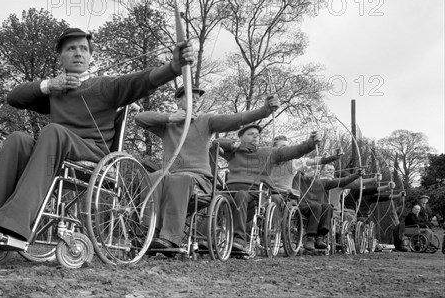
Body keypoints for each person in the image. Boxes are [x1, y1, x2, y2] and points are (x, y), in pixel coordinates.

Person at [0, 27, 194, 243]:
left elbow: (143, 80)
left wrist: (172, 66)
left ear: (90, 57)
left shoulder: (106, 85)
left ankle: (11, 224)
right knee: (19, 138)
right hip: (54, 151)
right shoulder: (55, 89)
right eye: (71, 48)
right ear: (60, 57)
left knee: (51, 132)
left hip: (92, 156)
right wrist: (48, 85)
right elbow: (13, 98)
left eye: (84, 49)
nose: (79, 53)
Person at [134, 87, 279, 250]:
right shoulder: (168, 124)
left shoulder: (205, 120)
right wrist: (170, 117)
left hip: (199, 180)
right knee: (153, 177)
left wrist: (264, 111)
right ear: (178, 101)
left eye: (197, 98)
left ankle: (170, 237)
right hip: (170, 174)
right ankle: (147, 233)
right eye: (191, 96)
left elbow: (235, 119)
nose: (196, 100)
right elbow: (139, 118)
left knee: (179, 179)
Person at [215, 125, 320, 254]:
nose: (255, 136)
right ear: (241, 137)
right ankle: (205, 239)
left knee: (241, 196)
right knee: (215, 197)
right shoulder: (233, 152)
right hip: (230, 190)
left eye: (257, 134)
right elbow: (215, 143)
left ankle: (239, 240)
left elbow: (293, 151)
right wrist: (235, 145)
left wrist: (310, 143)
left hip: (255, 192)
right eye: (250, 134)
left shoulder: (268, 152)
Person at [296, 164, 362, 251]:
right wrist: (302, 171)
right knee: (317, 206)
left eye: (317, 169)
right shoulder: (301, 179)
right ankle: (310, 238)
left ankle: (320, 237)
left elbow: (342, 181)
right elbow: (294, 169)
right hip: (304, 206)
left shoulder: (323, 182)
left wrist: (356, 175)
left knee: (328, 207)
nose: (315, 171)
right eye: (313, 169)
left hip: (317, 208)